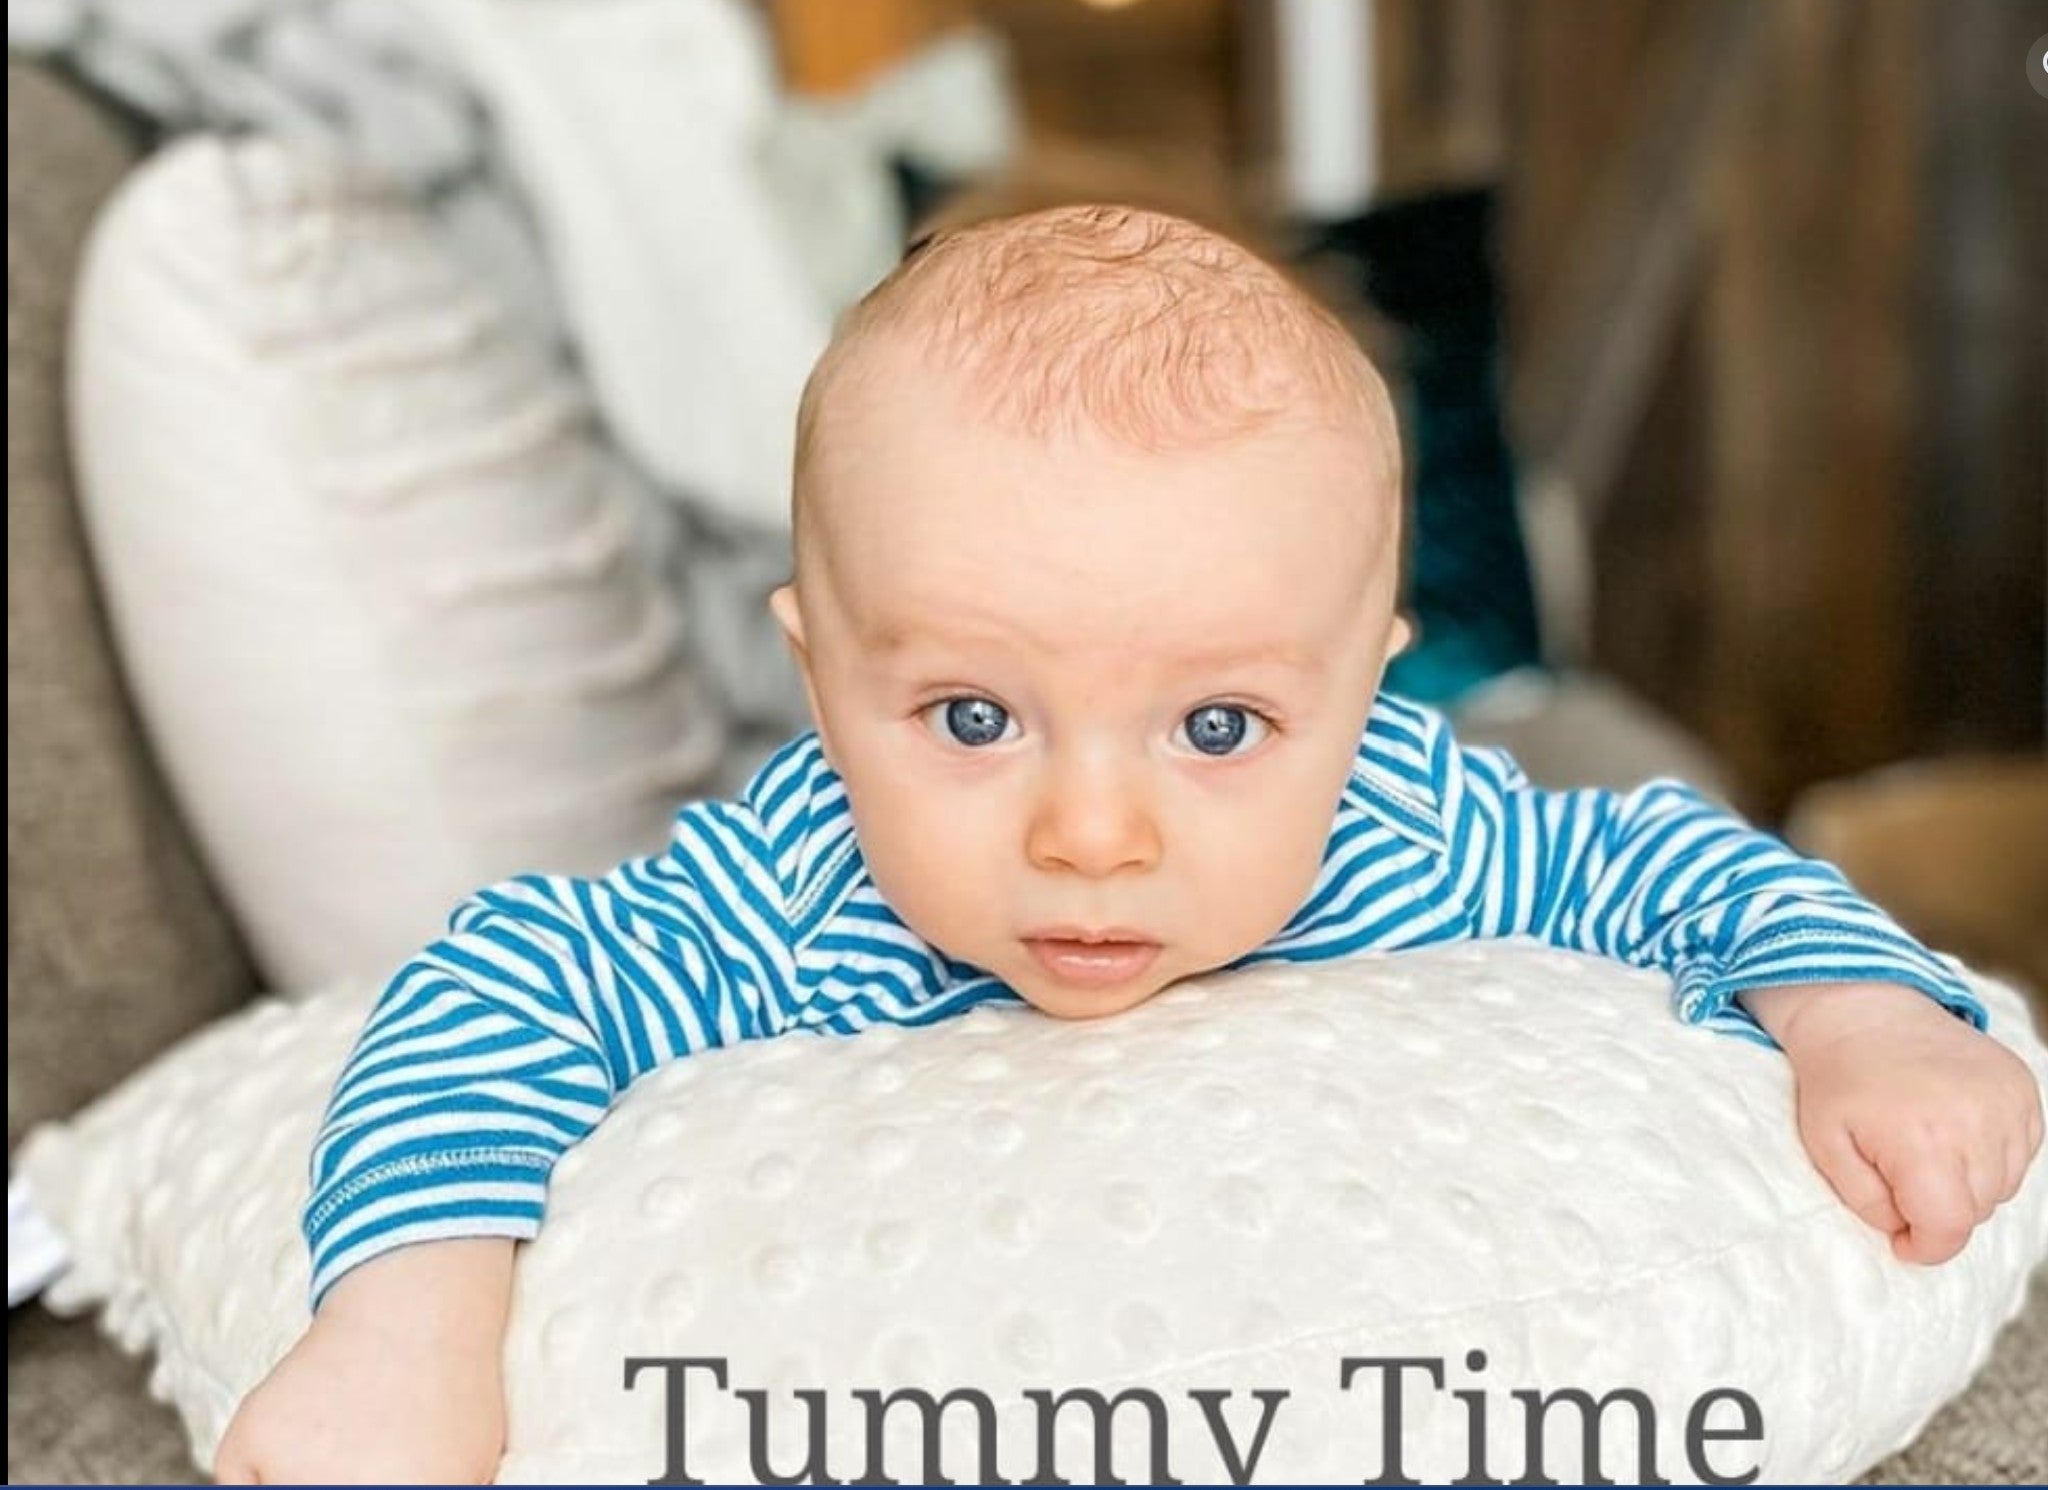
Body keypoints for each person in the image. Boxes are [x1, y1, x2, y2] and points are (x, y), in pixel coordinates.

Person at [215, 205, 2043, 1484]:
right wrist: (408, 1324)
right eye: (973, 718)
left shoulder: (1403, 823)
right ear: (822, 679)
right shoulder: (789, 893)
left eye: (1224, 727)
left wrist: (1858, 1011)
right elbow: (498, 980)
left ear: (1358, 697)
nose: (1093, 833)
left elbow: (1667, 861)